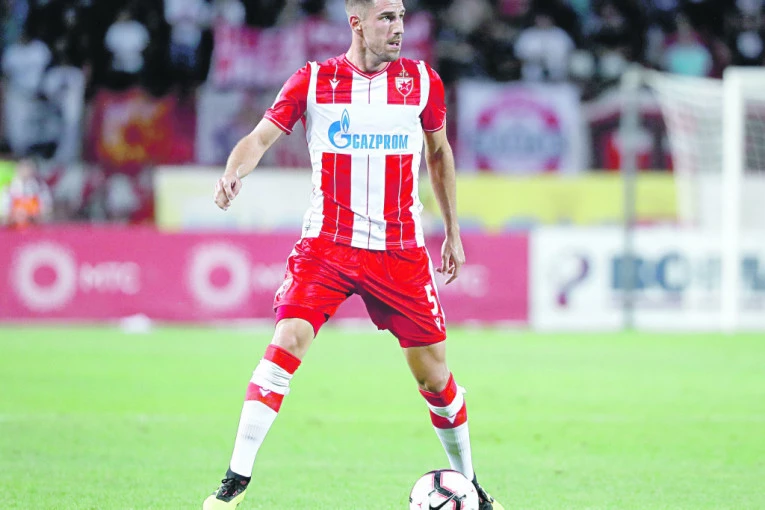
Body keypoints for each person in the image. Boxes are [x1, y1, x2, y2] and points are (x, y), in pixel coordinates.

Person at [205, 1, 505, 509]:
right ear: (356, 23)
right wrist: (234, 172)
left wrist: (453, 231)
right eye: (386, 17)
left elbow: (439, 154)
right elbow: (259, 138)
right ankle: (234, 482)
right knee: (287, 341)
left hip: (399, 249)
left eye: (401, 17)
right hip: (328, 245)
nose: (398, 28)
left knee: (434, 376)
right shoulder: (313, 81)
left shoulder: (422, 82)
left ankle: (471, 484)